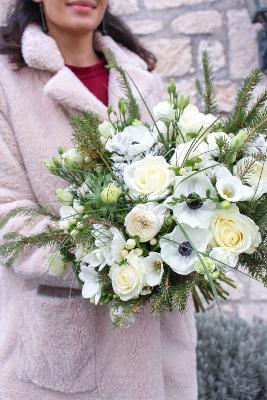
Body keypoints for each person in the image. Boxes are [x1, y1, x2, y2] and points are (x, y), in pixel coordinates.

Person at [0, 1, 198, 399]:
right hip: (63, 351)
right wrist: (111, 254)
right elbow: (8, 216)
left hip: (157, 345)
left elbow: (189, 181)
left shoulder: (143, 80)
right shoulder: (7, 84)